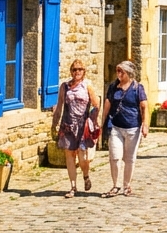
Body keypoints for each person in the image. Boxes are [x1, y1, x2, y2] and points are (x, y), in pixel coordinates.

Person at [51, 59, 100, 198]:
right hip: (67, 125)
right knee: (69, 156)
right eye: (74, 69)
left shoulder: (87, 86)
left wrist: (93, 122)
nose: (77, 72)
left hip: (82, 126)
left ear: (84, 71)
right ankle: (73, 187)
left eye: (80, 69)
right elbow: (59, 105)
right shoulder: (65, 87)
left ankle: (86, 175)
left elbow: (96, 104)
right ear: (71, 71)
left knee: (82, 157)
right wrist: (54, 124)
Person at [99, 60, 147, 197]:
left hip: (133, 128)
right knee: (114, 157)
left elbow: (144, 107)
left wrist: (145, 125)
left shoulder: (137, 88)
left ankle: (127, 185)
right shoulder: (113, 87)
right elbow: (107, 105)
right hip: (115, 126)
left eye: (121, 71)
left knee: (129, 158)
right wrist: (101, 123)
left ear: (129, 73)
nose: (118, 74)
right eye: (117, 71)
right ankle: (116, 185)